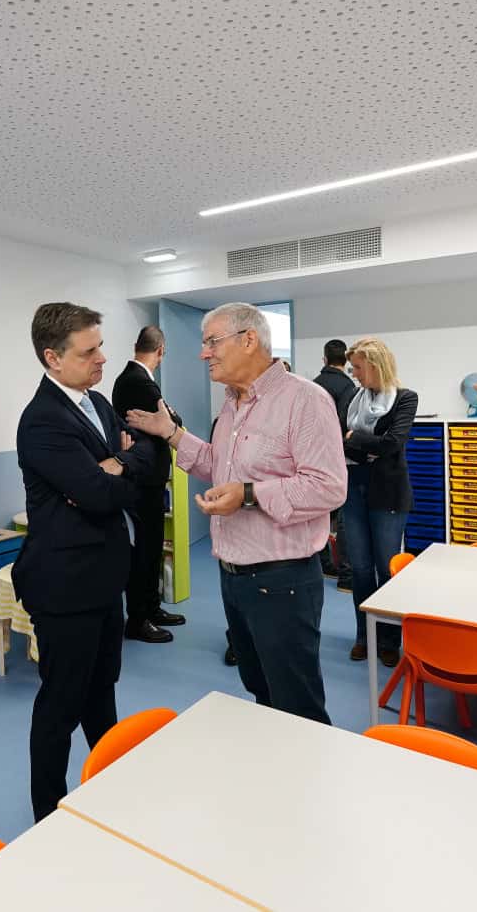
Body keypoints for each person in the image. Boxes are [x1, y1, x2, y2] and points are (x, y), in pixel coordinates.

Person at [127, 303, 346, 724]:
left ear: (249, 340)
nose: (203, 353)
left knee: (296, 704)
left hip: (282, 581)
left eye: (211, 341)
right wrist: (171, 433)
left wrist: (248, 494)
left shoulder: (305, 400)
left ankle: (308, 783)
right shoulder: (232, 404)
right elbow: (217, 465)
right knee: (261, 690)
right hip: (234, 577)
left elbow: (329, 487)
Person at [12, 302, 155, 822]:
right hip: (64, 584)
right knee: (61, 704)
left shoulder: (96, 402)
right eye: (89, 350)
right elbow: (97, 494)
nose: (102, 358)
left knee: (101, 693)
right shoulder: (43, 420)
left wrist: (117, 464)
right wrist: (111, 474)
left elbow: (145, 459)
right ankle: (47, 813)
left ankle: (108, 788)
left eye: (100, 345)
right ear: (52, 357)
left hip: (102, 578)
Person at [339, 337, 418, 666]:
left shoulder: (405, 398)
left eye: (358, 367)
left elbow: (392, 443)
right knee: (359, 569)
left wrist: (356, 439)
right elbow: (339, 442)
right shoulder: (352, 397)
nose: (354, 374)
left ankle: (388, 640)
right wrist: (365, 446)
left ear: (375, 365)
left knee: (386, 569)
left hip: (387, 493)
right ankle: (363, 636)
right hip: (353, 487)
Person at [111, 326, 188, 644]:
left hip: (146, 477)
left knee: (152, 546)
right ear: (161, 351)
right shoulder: (138, 381)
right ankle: (138, 619)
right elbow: (173, 422)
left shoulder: (128, 379)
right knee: (144, 549)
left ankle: (151, 608)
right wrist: (172, 419)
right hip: (143, 478)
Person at [313, 339, 358, 592]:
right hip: (339, 458)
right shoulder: (348, 387)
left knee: (318, 513)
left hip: (313, 459)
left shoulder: (312, 385)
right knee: (344, 518)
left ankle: (323, 564)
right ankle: (347, 577)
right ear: (347, 360)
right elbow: (346, 426)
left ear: (324, 359)